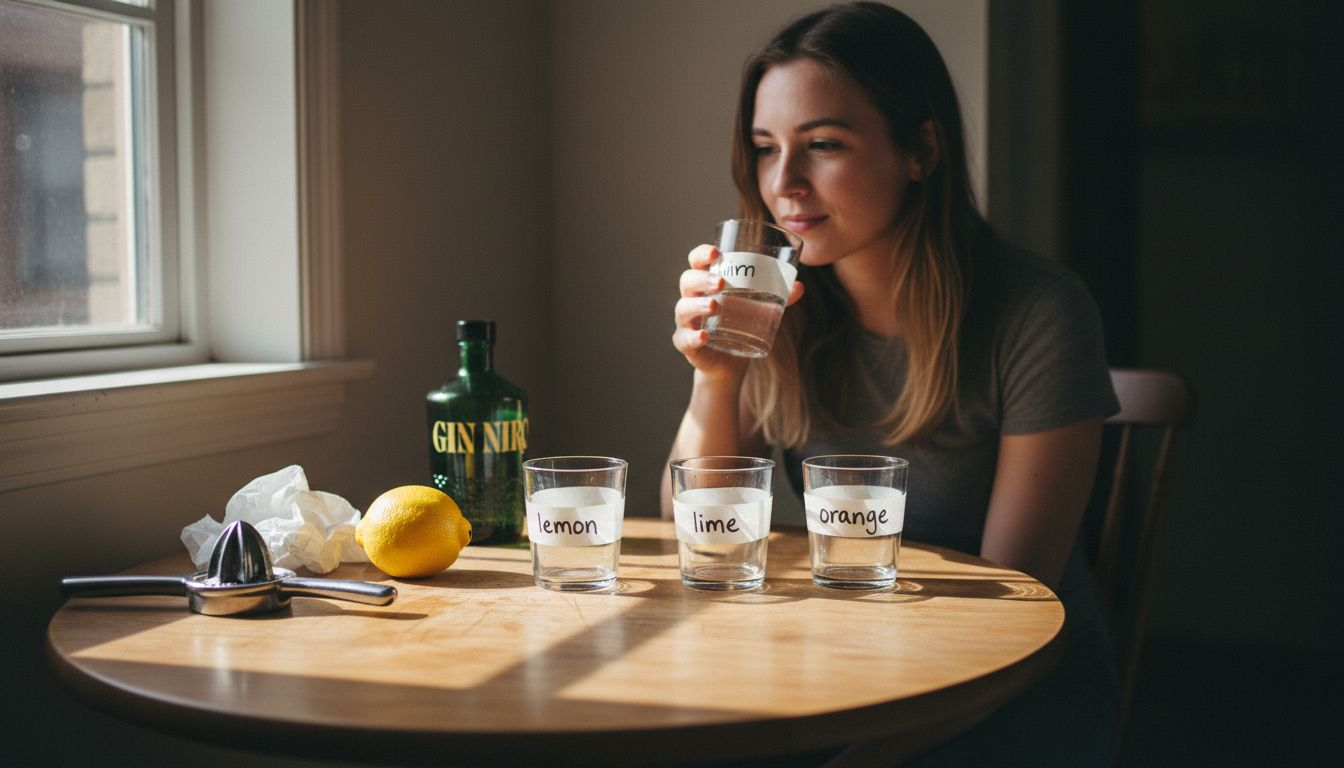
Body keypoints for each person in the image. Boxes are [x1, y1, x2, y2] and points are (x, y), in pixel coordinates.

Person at [662, 3, 1120, 766]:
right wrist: (716, 377)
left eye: (825, 145)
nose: (784, 185)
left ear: (921, 149)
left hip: (1007, 698)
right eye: (766, 147)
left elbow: (1011, 615)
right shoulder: (781, 306)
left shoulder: (1038, 313)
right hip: (834, 670)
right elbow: (701, 535)